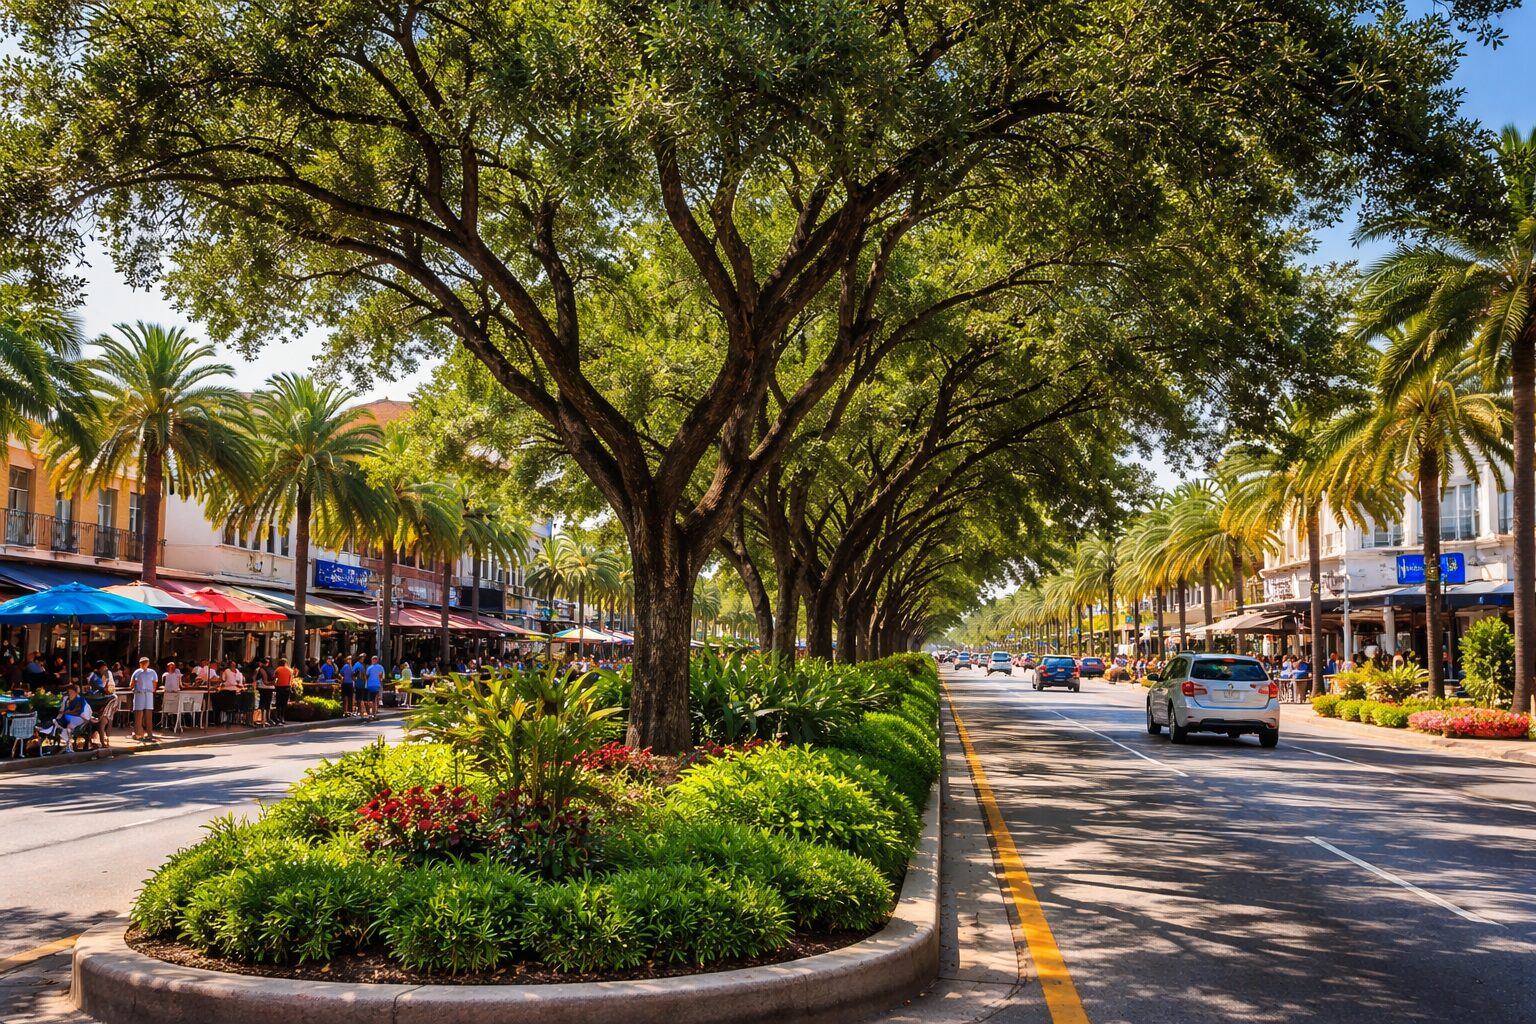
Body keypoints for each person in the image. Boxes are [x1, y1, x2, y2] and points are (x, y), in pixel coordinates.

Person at [130, 656, 159, 743]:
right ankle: (138, 733)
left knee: (148, 713)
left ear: (148, 663)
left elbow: (155, 682)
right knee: (138, 713)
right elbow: (132, 683)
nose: (144, 664)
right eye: (142, 663)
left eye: (145, 662)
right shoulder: (137, 672)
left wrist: (152, 690)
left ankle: (149, 733)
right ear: (140, 664)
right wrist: (135, 688)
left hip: (149, 694)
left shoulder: (152, 672)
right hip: (139, 693)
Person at [253, 656, 274, 725]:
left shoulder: (260, 669)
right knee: (267, 703)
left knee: (263, 703)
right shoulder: (271, 669)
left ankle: (264, 719)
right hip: (269, 687)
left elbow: (254, 678)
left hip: (263, 687)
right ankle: (266, 719)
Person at [272, 658, 293, 725]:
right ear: (286, 663)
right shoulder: (290, 670)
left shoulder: (277, 669)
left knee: (278, 703)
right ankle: (282, 717)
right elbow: (291, 680)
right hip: (287, 688)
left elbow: (275, 678)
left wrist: (274, 684)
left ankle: (278, 717)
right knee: (284, 703)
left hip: (279, 688)